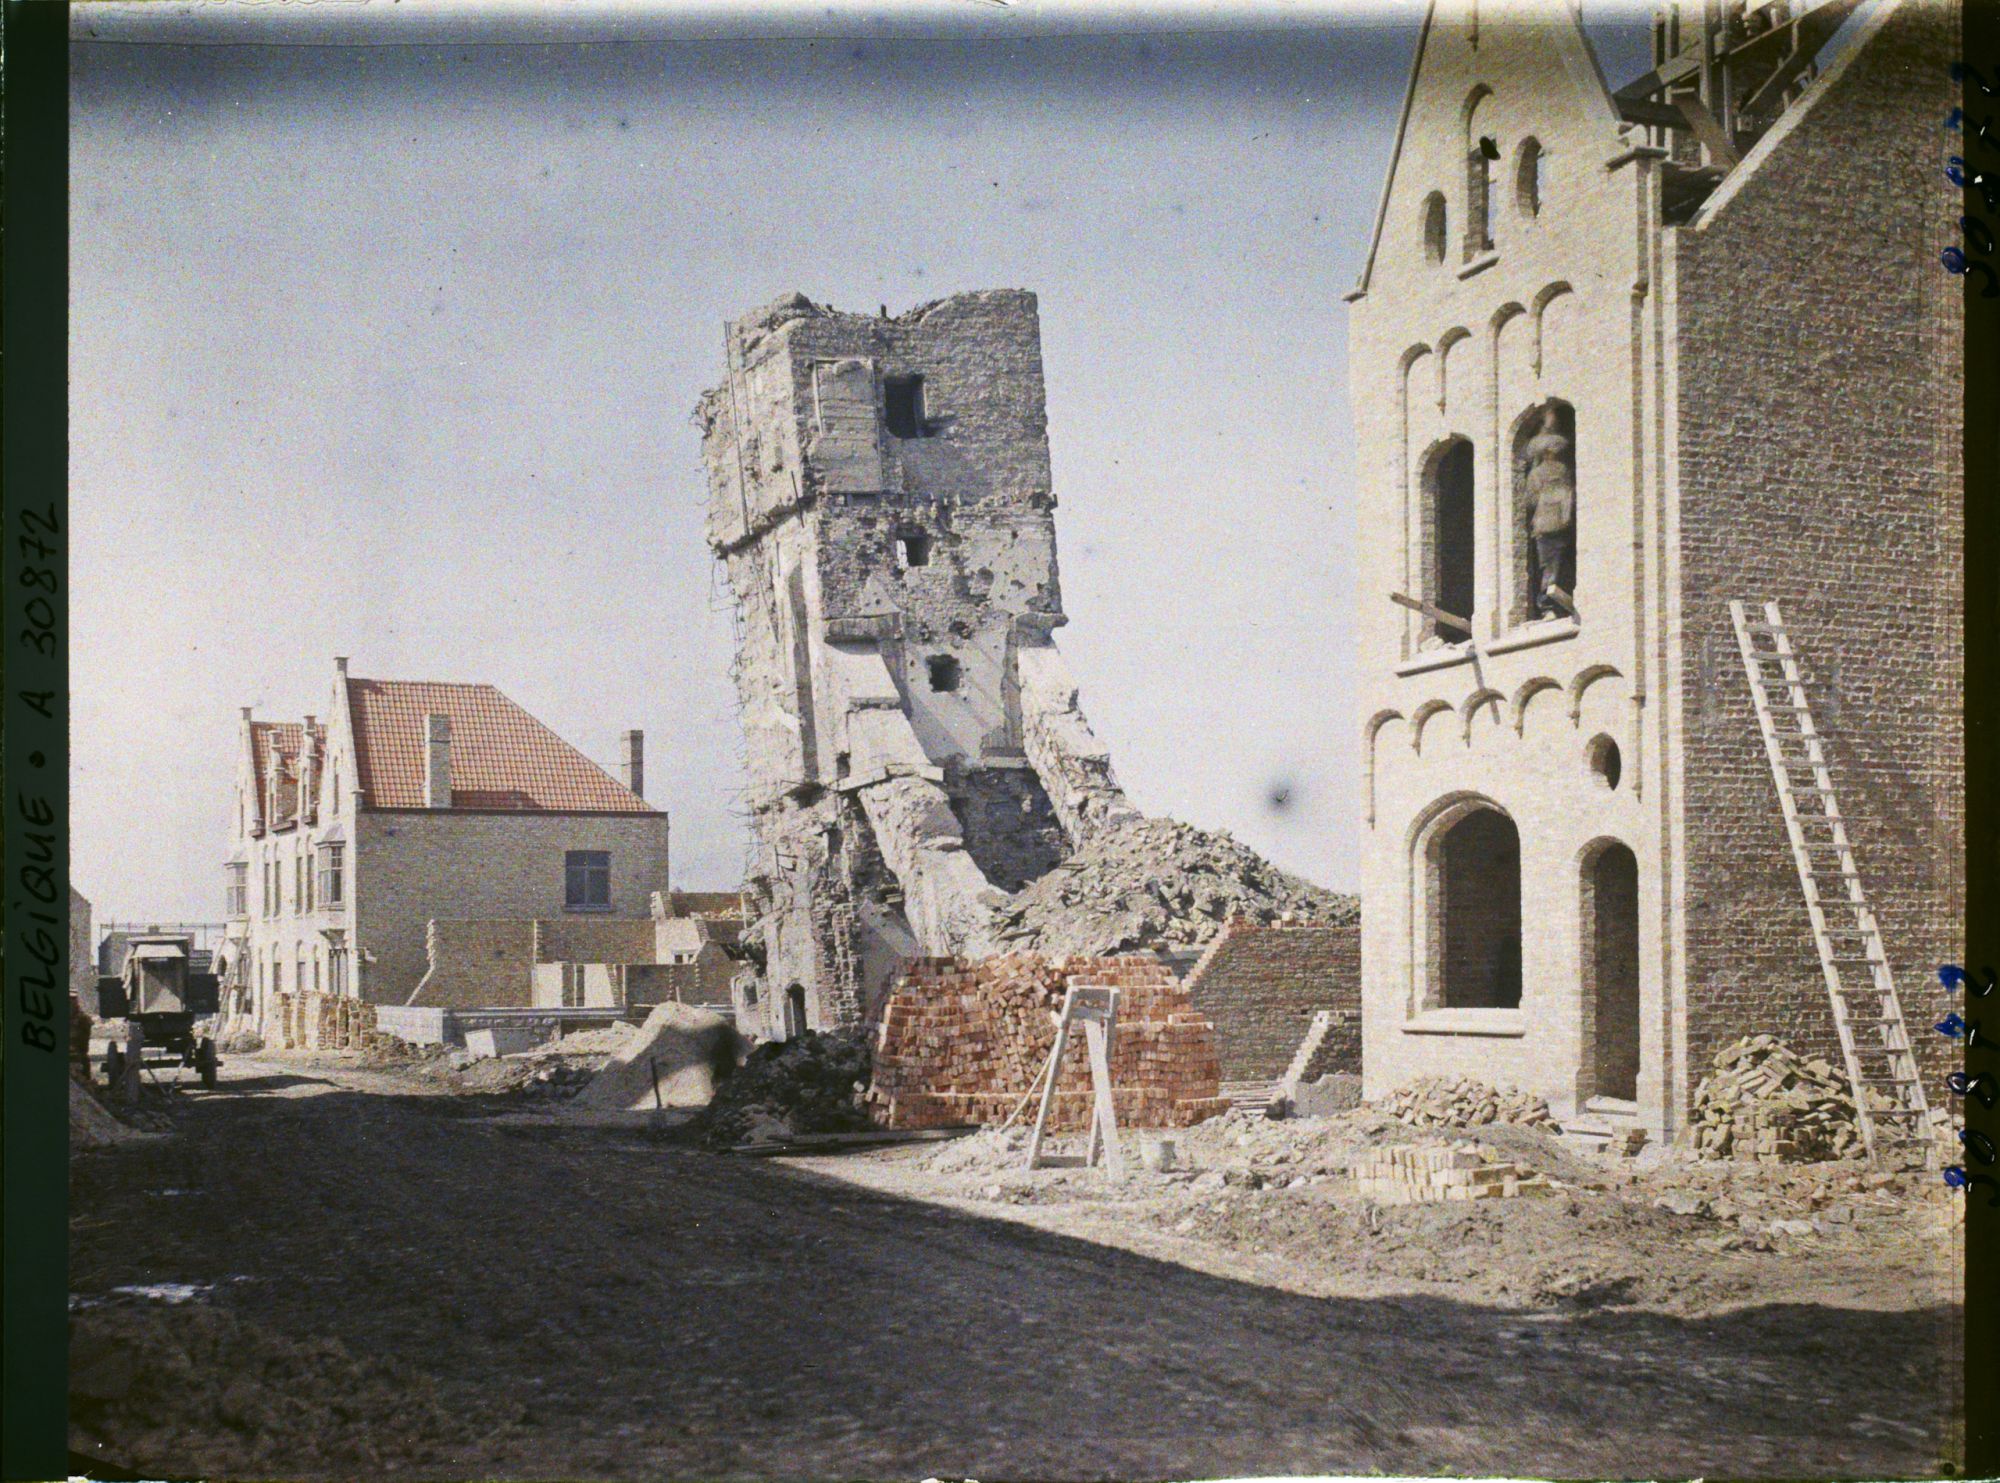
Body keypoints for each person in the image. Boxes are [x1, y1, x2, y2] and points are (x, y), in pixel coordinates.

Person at [1522, 406, 1575, 617]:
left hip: (1547, 524)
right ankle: (1549, 604)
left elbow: (1530, 499)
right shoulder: (1559, 471)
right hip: (1554, 523)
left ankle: (1548, 604)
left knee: (1549, 565)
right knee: (1554, 564)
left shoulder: (1540, 473)